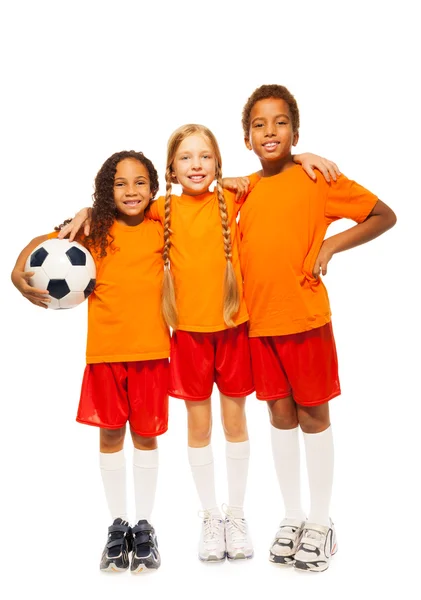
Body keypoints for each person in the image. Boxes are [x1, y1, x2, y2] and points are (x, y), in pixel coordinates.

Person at [60, 126, 339, 563]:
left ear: (218, 163)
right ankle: (210, 516)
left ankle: (237, 515)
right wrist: (84, 209)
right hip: (187, 336)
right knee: (199, 429)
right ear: (170, 169)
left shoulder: (232, 196)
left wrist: (304, 156)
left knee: (235, 425)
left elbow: (273, 172)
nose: (195, 165)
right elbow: (118, 206)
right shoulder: (161, 209)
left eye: (204, 157)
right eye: (185, 158)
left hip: (233, 329)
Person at [239, 84, 397, 572]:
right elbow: (196, 184)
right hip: (258, 325)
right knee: (280, 418)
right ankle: (292, 517)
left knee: (313, 416)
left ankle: (323, 523)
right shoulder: (244, 187)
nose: (270, 131)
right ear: (247, 137)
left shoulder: (317, 178)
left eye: (280, 122)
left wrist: (330, 246)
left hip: (305, 319)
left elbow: (382, 214)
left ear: (296, 131)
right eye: (260, 124)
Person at [11, 151, 170, 574]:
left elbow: (188, 203)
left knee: (147, 438)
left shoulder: (161, 228)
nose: (131, 191)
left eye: (140, 183)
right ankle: (117, 525)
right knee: (111, 436)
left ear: (152, 189)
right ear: (106, 190)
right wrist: (15, 272)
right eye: (120, 184)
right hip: (104, 355)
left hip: (153, 353)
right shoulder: (93, 230)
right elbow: (40, 248)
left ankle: (145, 525)